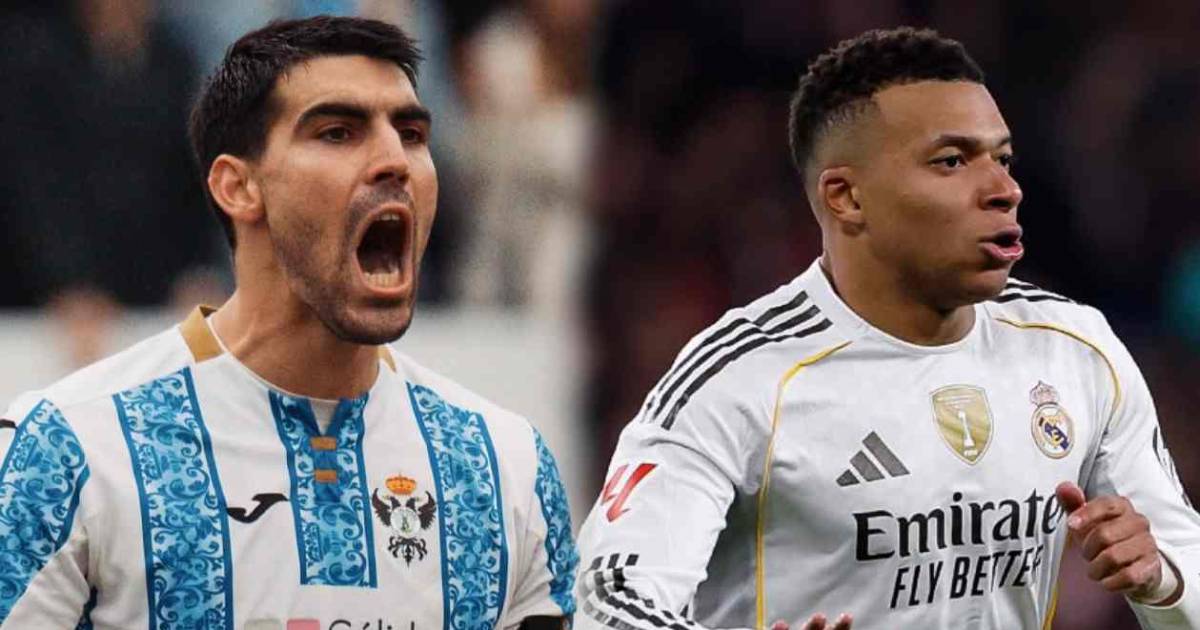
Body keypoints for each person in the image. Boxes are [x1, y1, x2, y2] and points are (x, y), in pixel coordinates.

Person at [574, 27, 1200, 630]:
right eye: (952, 161)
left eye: (1003, 159)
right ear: (846, 197)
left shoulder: (1074, 349)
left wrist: (1163, 580)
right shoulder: (740, 379)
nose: (1004, 189)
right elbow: (610, 601)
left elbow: (1185, 570)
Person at [0, 16, 577, 630]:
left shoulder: (506, 469)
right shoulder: (69, 449)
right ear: (237, 187)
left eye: (411, 134)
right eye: (338, 132)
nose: (394, 161)